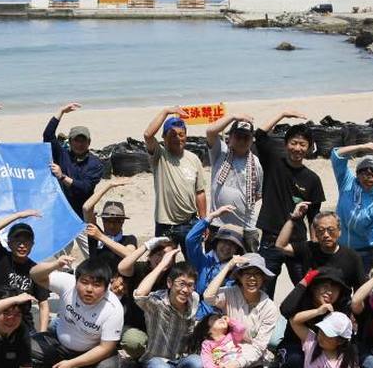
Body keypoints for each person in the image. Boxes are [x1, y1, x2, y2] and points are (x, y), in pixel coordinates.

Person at [253, 112, 325, 295]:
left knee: (306, 291)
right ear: (286, 145)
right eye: (293, 143)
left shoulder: (312, 180)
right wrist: (282, 114)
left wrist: (315, 249)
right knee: (264, 293)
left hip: (297, 243)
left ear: (308, 148)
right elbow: (260, 135)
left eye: (302, 144)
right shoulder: (274, 163)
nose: (297, 148)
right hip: (270, 239)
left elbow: (314, 219)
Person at [203, 253, 279, 368]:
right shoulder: (230, 294)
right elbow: (208, 297)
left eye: (257, 274)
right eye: (247, 273)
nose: (252, 279)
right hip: (224, 358)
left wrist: (237, 364)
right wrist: (229, 266)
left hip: (250, 363)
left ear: (264, 278)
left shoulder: (269, 308)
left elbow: (259, 347)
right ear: (239, 276)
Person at [30, 256, 123, 368]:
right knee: (30, 348)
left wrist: (71, 364)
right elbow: (34, 274)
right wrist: (55, 264)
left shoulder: (113, 308)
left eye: (97, 285)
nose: (89, 289)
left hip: (92, 350)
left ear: (107, 286)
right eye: (84, 282)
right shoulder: (68, 284)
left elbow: (105, 348)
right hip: (61, 343)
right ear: (76, 280)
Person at [133, 250, 202, 368]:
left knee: (198, 364)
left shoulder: (194, 299)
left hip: (181, 360)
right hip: (157, 360)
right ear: (170, 283)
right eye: (181, 284)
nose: (185, 290)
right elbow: (139, 294)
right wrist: (163, 265)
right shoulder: (157, 302)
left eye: (190, 285)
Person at [276, 266, 352, 368]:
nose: (329, 292)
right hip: (295, 344)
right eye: (325, 286)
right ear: (314, 287)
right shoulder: (302, 299)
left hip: (325, 348)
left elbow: (346, 339)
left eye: (335, 289)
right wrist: (317, 311)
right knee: (294, 361)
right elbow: (286, 310)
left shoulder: (339, 308)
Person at [142, 107, 207, 253]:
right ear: (164, 138)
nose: (178, 138)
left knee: (193, 265)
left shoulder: (193, 159)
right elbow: (147, 135)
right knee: (162, 267)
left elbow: (200, 192)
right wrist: (165, 112)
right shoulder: (159, 156)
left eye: (181, 134)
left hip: (190, 222)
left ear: (186, 136)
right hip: (165, 225)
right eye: (172, 135)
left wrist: (204, 221)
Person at [204, 113, 264, 250]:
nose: (242, 141)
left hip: (246, 227)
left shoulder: (256, 162)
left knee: (248, 268)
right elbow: (210, 131)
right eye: (238, 136)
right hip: (218, 224)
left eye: (246, 137)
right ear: (229, 138)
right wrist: (233, 117)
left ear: (251, 140)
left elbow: (258, 193)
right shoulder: (220, 153)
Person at [0, 209, 51, 333]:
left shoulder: (36, 270)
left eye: (26, 242)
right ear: (9, 243)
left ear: (32, 244)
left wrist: (42, 333)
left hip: (23, 323)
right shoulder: (0, 257)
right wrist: (18, 215)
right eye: (18, 241)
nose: (22, 246)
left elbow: (43, 304)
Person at [330, 141, 373, 275]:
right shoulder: (347, 183)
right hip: (338, 250)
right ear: (357, 174)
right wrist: (362, 147)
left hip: (362, 257)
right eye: (365, 173)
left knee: (362, 294)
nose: (370, 178)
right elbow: (336, 155)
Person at [275, 204, 366, 290]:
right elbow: (280, 246)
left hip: (340, 305)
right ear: (316, 233)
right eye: (321, 230)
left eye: (331, 230)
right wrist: (293, 218)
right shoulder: (308, 249)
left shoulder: (352, 257)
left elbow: (359, 293)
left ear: (339, 232)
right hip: (311, 305)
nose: (326, 235)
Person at [117, 237, 178, 360]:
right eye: (159, 254)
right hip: (135, 325)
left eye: (167, 256)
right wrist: (146, 245)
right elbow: (122, 268)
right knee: (133, 341)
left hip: (161, 329)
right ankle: (137, 358)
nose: (162, 259)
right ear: (149, 257)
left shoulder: (174, 275)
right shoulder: (139, 269)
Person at [42, 102, 104, 217]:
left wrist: (62, 177)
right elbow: (48, 135)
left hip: (82, 214)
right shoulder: (62, 154)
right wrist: (61, 112)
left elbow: (85, 188)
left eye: (83, 141)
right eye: (76, 140)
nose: (80, 144)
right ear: (70, 142)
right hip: (60, 210)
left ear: (89, 142)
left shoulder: (95, 164)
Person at [186, 204, 245, 319]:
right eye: (224, 242)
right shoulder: (202, 260)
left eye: (233, 245)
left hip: (217, 318)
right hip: (191, 313)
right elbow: (190, 240)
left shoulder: (237, 272)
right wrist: (211, 217)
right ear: (216, 242)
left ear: (237, 250)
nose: (227, 248)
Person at [80, 177, 137, 265]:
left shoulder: (129, 239)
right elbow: (86, 208)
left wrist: (101, 237)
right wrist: (109, 185)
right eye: (107, 221)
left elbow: (130, 255)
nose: (111, 225)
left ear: (122, 221)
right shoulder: (95, 234)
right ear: (102, 220)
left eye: (116, 221)